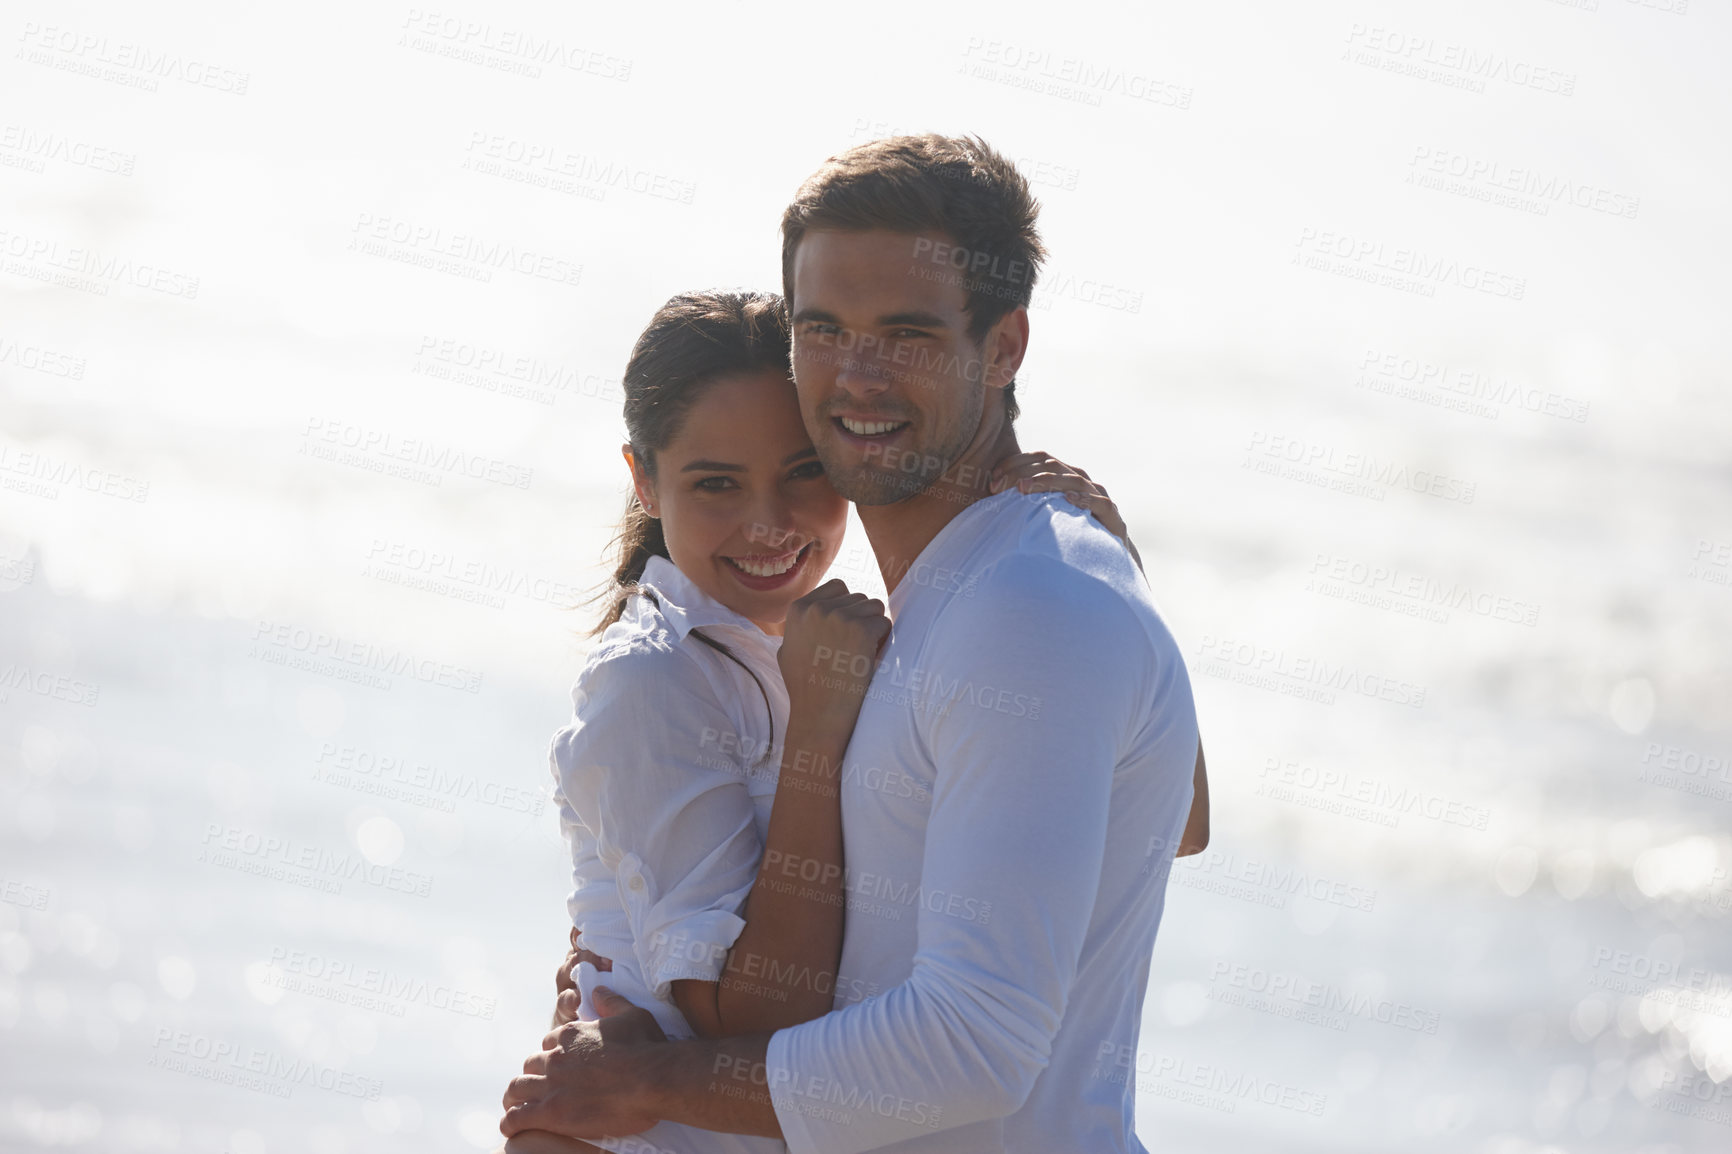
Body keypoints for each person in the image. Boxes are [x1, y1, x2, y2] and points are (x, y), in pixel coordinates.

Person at [501, 134, 1207, 1153]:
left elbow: (976, 1039)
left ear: (1003, 347)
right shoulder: (944, 601)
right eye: (823, 327)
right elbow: (1151, 807)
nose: (858, 374)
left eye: (908, 332)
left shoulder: (1026, 601)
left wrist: (643, 1078)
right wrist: (619, 963)